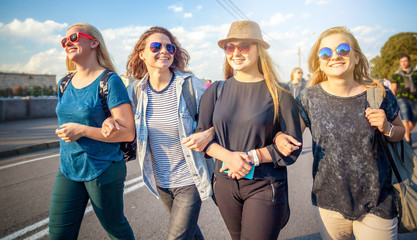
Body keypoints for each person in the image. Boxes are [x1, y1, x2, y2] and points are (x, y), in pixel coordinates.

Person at [275, 26, 405, 240]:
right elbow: (290, 134)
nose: (335, 56)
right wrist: (279, 137)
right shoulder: (308, 98)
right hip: (329, 205)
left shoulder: (378, 92)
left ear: (356, 57)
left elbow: (400, 132)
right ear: (320, 63)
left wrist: (387, 127)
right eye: (325, 53)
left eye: (343, 49)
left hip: (378, 201)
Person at [190, 20, 303, 240]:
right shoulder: (215, 91)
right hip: (224, 184)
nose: (235, 53)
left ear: (259, 49)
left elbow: (293, 148)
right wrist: (229, 158)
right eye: (229, 47)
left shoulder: (280, 94)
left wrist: (251, 157)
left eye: (243, 46)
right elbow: (202, 140)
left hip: (264, 184)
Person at [102, 26, 214, 240]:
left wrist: (208, 134)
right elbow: (126, 122)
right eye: (156, 46)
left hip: (189, 178)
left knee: (177, 236)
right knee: (189, 233)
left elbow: (218, 119)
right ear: (142, 54)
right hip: (161, 182)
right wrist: (110, 120)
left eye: (169, 47)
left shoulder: (190, 86)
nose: (164, 50)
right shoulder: (136, 91)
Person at [51, 23, 135, 239]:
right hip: (68, 167)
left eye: (74, 37)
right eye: (64, 41)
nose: (68, 43)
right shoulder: (64, 83)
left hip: (103, 167)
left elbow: (127, 133)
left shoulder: (110, 81)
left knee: (115, 228)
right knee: (59, 234)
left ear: (94, 42)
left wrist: (82, 130)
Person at [391, 54, 417, 145]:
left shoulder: (415, 73)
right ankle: (408, 139)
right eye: (402, 61)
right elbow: (393, 88)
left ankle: (406, 132)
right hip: (402, 98)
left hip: (414, 99)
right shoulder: (396, 75)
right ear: (400, 63)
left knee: (414, 121)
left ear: (409, 62)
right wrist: (392, 100)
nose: (404, 63)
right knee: (405, 118)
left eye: (405, 61)